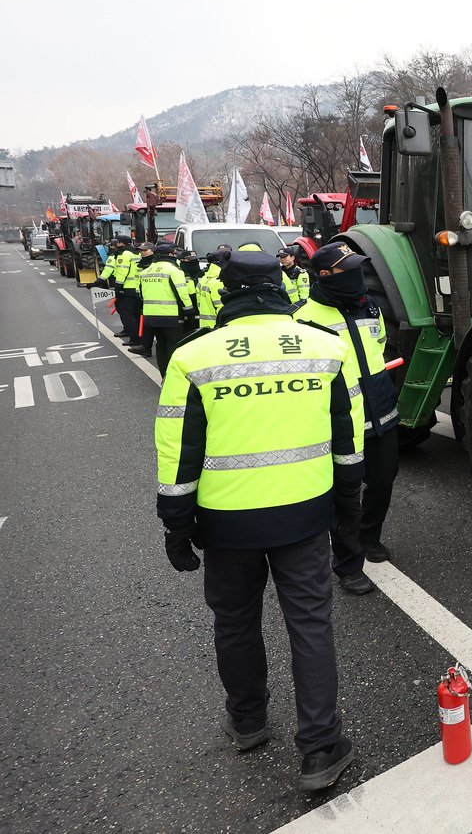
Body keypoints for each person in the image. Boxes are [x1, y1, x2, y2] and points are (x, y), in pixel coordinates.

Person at [155, 249, 363, 792]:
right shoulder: (325, 348)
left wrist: (176, 524)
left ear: (226, 291)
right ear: (280, 285)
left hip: (227, 526)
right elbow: (348, 440)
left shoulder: (192, 357)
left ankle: (248, 722)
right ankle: (320, 748)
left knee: (236, 622)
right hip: (305, 516)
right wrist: (349, 508)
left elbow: (178, 450)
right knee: (311, 625)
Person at [296, 243, 400, 593]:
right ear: (324, 275)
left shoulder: (370, 307)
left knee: (383, 481)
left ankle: (370, 537)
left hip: (381, 411)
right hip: (339, 422)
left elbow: (380, 346)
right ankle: (348, 565)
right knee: (345, 493)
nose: (358, 277)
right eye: (348, 270)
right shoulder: (303, 320)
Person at [134, 242, 196, 374]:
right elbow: (182, 293)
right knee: (174, 345)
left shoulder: (146, 271)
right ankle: (175, 376)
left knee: (160, 345)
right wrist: (190, 311)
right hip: (170, 316)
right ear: (170, 255)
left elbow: (140, 294)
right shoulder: (174, 270)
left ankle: (164, 375)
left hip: (150, 316)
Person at [99, 234, 142, 342]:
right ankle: (138, 335)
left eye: (117, 241)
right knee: (135, 314)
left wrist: (118, 286)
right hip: (136, 288)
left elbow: (123, 271)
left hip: (126, 288)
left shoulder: (123, 254)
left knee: (127, 314)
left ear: (121, 243)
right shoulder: (136, 253)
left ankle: (134, 338)